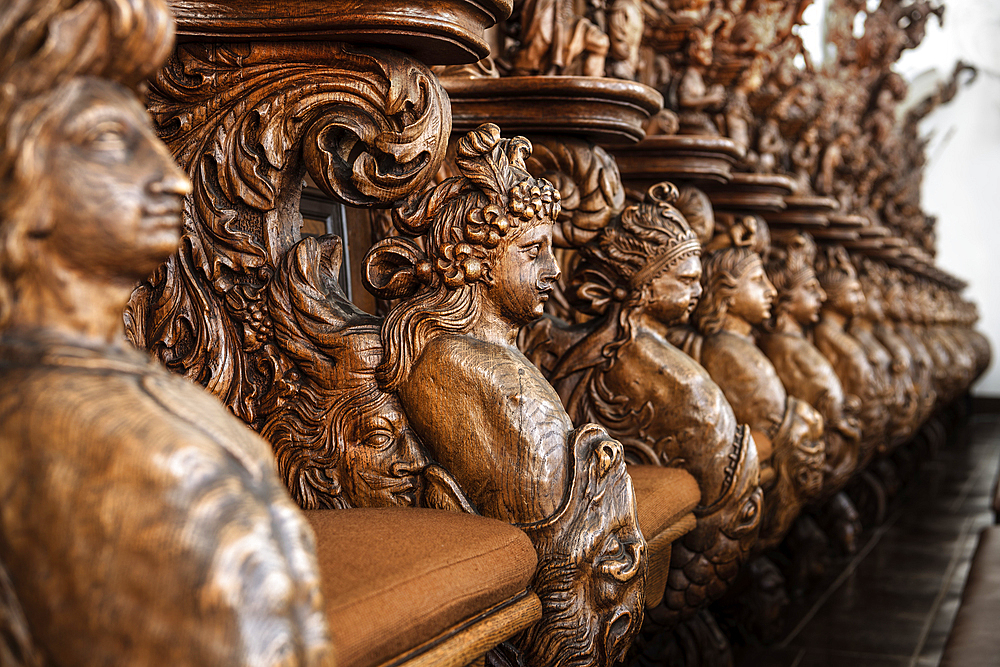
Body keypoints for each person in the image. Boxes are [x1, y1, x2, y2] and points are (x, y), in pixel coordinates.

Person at [0, 0, 331, 663]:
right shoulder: (69, 432)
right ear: (18, 174)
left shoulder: (116, 389)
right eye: (108, 141)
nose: (175, 179)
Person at [364, 123, 646, 667]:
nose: (553, 270)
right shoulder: (459, 364)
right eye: (533, 251)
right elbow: (559, 547)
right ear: (478, 260)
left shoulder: (498, 355)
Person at [690, 217, 825, 551]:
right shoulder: (726, 350)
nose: (771, 291)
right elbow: (772, 424)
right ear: (725, 291)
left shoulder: (742, 344)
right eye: (757, 280)